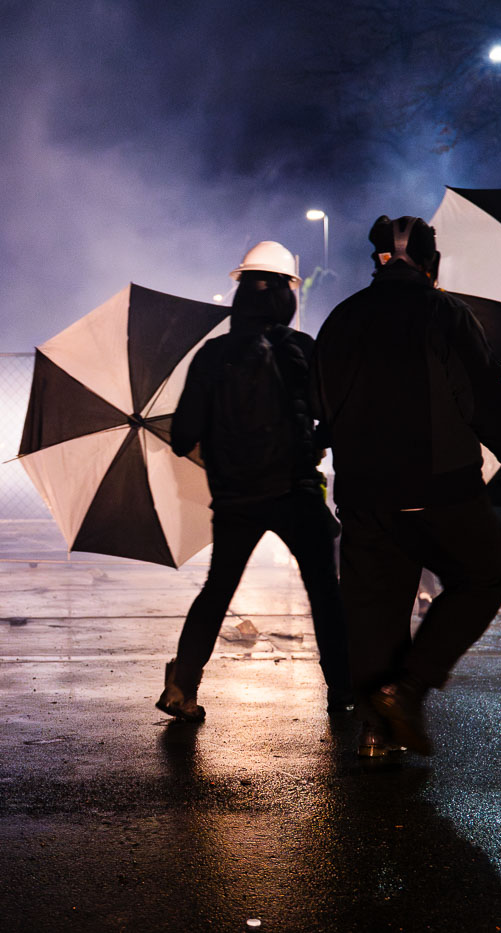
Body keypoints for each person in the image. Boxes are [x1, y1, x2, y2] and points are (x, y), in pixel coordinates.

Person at [313, 215, 501, 757]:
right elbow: (482, 387)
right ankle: (406, 691)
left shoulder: (341, 318)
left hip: (363, 492)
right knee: (484, 572)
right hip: (441, 489)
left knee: (375, 609)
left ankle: (376, 732)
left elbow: (320, 401)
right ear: (431, 264)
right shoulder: (447, 313)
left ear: (377, 261)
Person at [156, 241, 349, 722]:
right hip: (296, 493)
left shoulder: (212, 355)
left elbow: (182, 437)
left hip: (236, 500)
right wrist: (313, 439)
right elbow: (331, 416)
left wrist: (224, 457)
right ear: (288, 293)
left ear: (240, 293)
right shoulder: (303, 351)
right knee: (325, 592)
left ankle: (183, 685)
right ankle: (343, 692)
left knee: (217, 589)